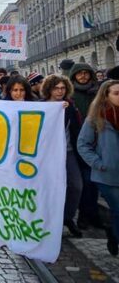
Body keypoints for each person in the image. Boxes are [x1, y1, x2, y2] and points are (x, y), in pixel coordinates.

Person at [78, 79, 119, 256]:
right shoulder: (96, 118)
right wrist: (98, 163)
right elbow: (83, 144)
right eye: (116, 94)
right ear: (106, 96)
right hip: (107, 175)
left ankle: (114, 235)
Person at [41, 75, 83, 238]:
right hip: (46, 155)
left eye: (62, 88)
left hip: (68, 151)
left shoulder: (70, 107)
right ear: (49, 89)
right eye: (56, 88)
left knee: (76, 185)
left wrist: (67, 110)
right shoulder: (41, 106)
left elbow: (76, 129)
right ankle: (49, 220)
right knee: (48, 187)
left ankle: (67, 217)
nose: (60, 91)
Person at [70, 63, 103, 229]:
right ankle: (83, 215)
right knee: (83, 182)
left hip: (98, 141)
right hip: (77, 142)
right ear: (74, 75)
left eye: (86, 73)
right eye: (79, 73)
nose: (83, 76)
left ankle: (93, 214)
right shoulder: (70, 95)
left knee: (94, 181)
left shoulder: (98, 93)